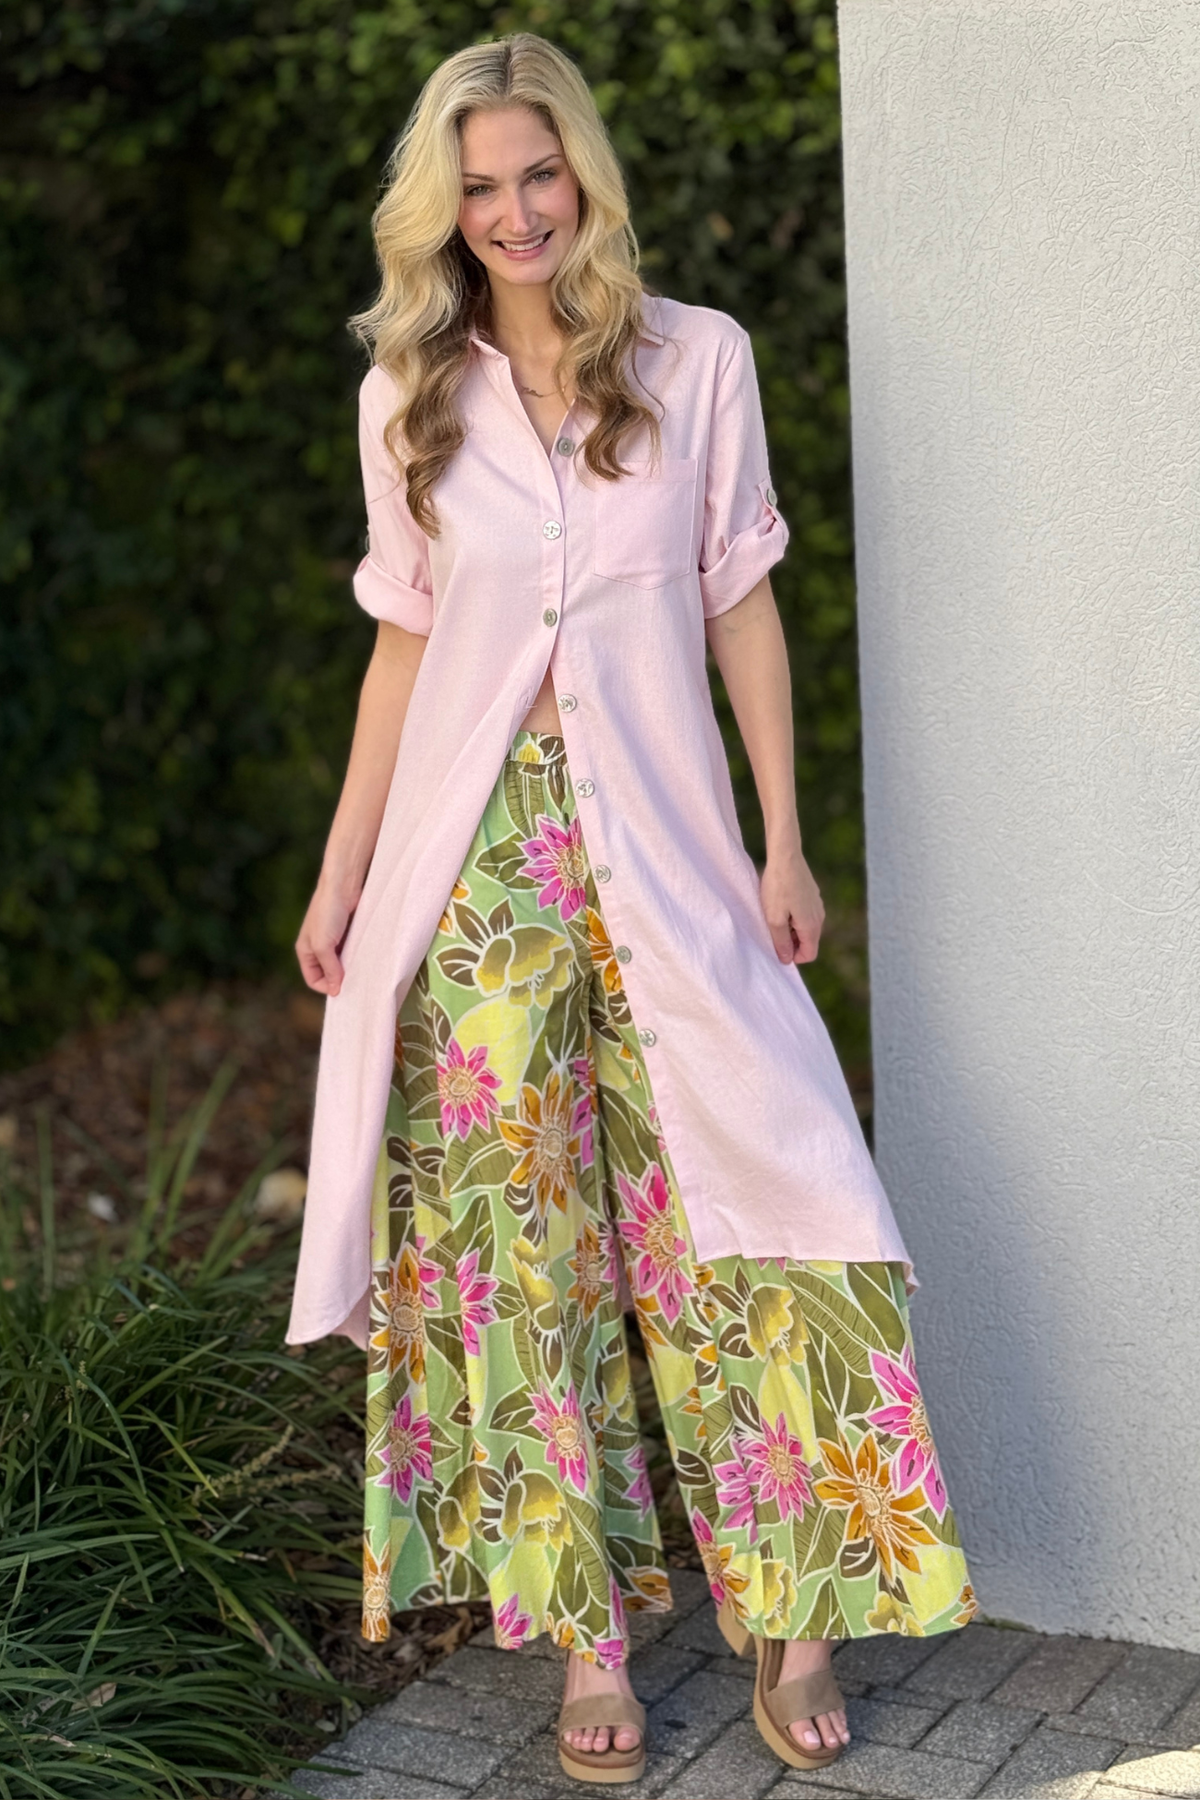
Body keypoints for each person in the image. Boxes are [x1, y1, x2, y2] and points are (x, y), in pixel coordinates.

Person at [289, 32, 973, 1786]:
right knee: (525, 1249)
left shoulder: (698, 359)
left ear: (582, 177)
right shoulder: (406, 394)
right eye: (481, 187)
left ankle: (798, 1604)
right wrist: (344, 871)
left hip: (666, 842)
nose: (515, 213)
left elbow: (740, 598)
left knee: (772, 1195)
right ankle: (591, 1647)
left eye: (540, 174)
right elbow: (405, 642)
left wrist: (786, 840)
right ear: (441, 212)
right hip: (480, 866)